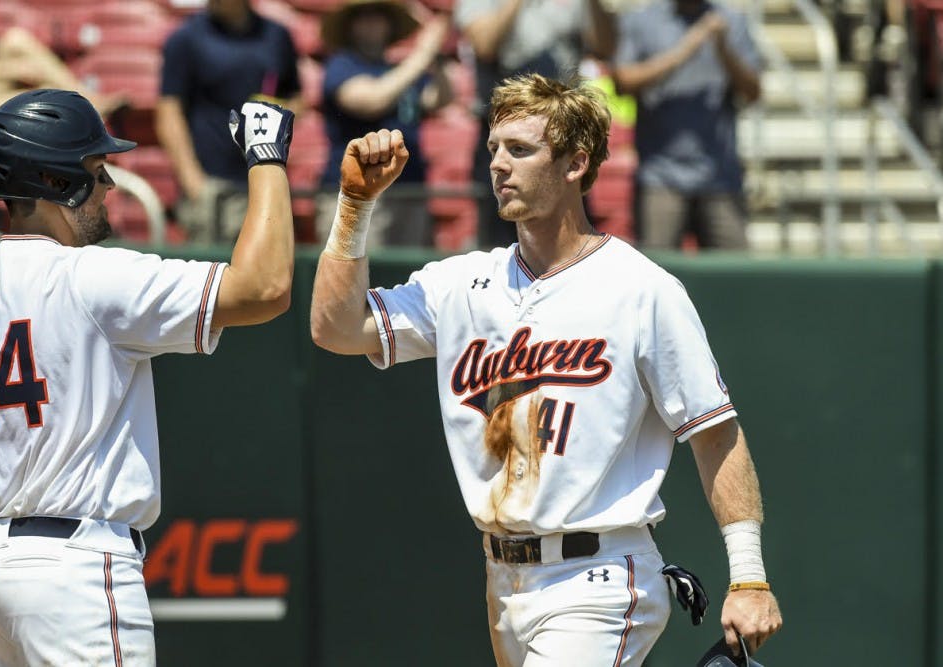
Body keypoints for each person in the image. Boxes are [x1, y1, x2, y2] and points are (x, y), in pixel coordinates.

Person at [310, 73, 782, 665]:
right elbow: (335, 328)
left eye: (521, 149)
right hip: (504, 579)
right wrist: (354, 207)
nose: (499, 166)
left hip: (600, 574)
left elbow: (714, 432)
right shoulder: (462, 283)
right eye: (492, 150)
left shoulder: (641, 289)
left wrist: (749, 577)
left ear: (576, 163)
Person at [0, 88, 295, 665]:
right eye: (96, 168)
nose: (108, 185)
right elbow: (264, 288)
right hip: (73, 569)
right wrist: (266, 157)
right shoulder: (92, 277)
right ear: (57, 183)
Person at [454, 0, 615, 248]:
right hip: (508, 132)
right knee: (500, 238)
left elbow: (605, 47)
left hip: (563, 134)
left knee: (571, 232)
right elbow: (485, 44)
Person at [613, 0, 762, 250]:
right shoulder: (642, 20)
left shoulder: (730, 21)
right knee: (656, 272)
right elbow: (623, 81)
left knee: (736, 278)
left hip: (720, 177)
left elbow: (754, 92)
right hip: (660, 174)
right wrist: (687, 48)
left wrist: (724, 50)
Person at [157, 0, 301, 244]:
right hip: (211, 186)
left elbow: (296, 98)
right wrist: (193, 181)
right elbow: (169, 112)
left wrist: (274, 108)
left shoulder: (277, 36)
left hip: (264, 178)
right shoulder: (185, 38)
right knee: (212, 277)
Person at [316, 0, 452, 249]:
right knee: (355, 278)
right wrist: (422, 54)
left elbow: (439, 99)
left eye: (379, 15)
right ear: (350, 25)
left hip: (409, 190)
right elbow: (371, 100)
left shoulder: (399, 69)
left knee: (405, 278)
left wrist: (438, 59)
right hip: (357, 194)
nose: (372, 23)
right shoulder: (341, 65)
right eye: (363, 16)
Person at [0, 0, 125, 114]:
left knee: (16, 39)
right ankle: (86, 104)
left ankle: (85, 98)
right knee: (46, 92)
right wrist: (9, 71)